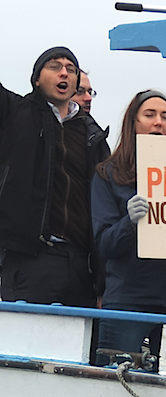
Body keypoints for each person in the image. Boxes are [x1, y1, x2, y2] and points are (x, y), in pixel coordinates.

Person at [91, 90, 166, 366]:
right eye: (149, 115)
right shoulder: (107, 174)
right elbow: (104, 245)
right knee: (115, 385)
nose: (159, 123)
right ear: (133, 123)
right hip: (129, 302)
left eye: (165, 117)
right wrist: (129, 223)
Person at [0, 47, 110, 307]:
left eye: (71, 69)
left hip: (82, 265)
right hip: (30, 257)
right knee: (32, 343)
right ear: (36, 79)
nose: (64, 72)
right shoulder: (16, 114)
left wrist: (102, 276)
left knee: (80, 347)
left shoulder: (92, 135)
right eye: (54, 66)